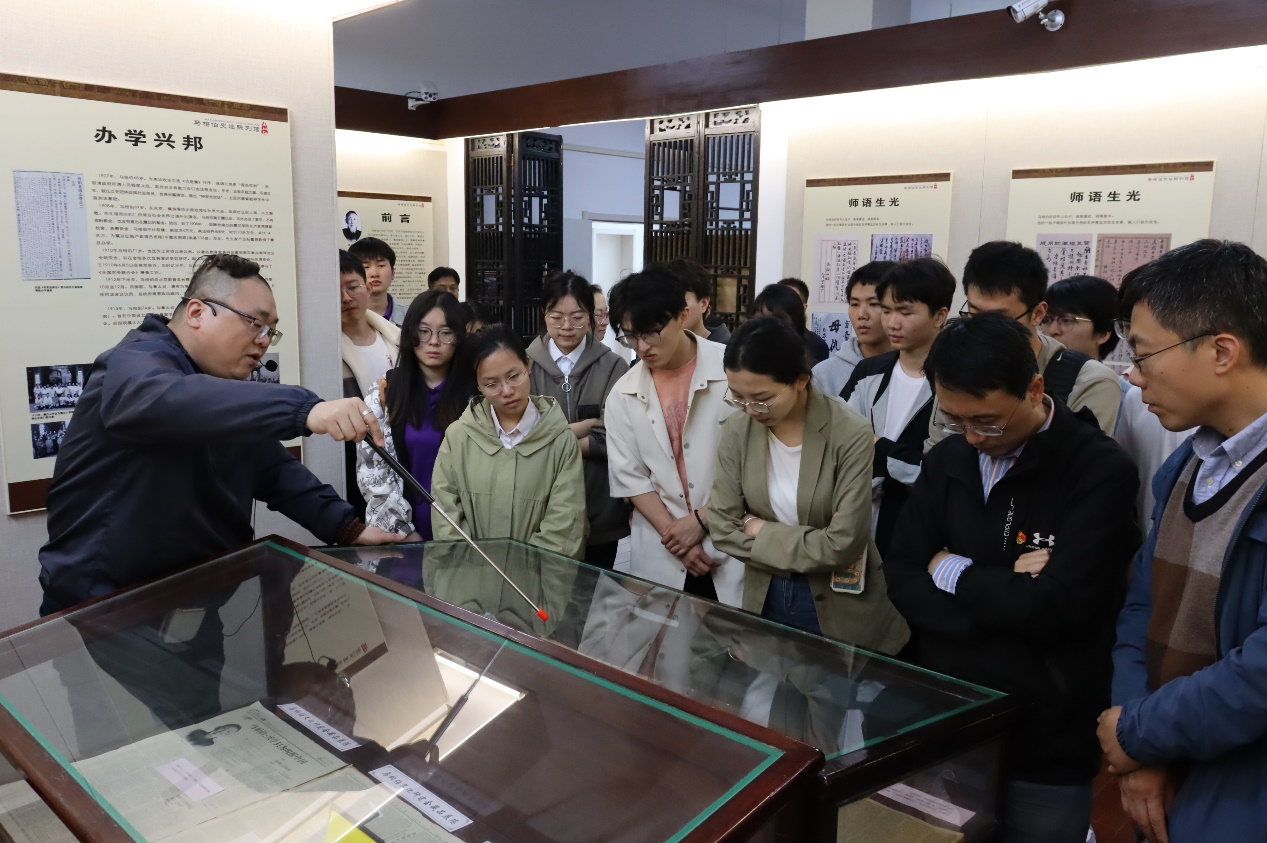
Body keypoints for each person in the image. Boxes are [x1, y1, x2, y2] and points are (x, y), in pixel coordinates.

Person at [38, 254, 402, 726]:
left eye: (271, 330)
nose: (263, 340)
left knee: (205, 732)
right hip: (109, 616)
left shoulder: (216, 383)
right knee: (133, 749)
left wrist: (347, 528)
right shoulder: (134, 364)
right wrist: (304, 409)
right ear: (197, 312)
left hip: (192, 606)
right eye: (255, 323)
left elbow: (269, 465)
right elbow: (162, 401)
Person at [884, 314, 1139, 843]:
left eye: (989, 421)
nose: (974, 437)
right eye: (955, 419)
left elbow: (1056, 606)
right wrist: (1005, 595)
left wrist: (950, 567)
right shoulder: (948, 459)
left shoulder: (1097, 468)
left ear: (1035, 389)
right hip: (950, 707)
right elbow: (903, 572)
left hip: (1046, 725)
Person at [1099, 240, 1267, 843]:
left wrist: (1140, 734)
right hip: (1168, 756)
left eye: (1144, 354)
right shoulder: (1186, 466)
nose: (1133, 374)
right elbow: (1141, 609)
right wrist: (1139, 741)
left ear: (1222, 351)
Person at [709, 316, 910, 651]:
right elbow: (721, 527)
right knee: (770, 677)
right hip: (766, 588)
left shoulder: (848, 432)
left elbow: (843, 545)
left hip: (838, 600)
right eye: (738, 397)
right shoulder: (738, 429)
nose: (751, 410)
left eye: (761, 398)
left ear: (800, 381)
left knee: (834, 680)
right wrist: (815, 541)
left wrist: (760, 529)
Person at [605, 266, 744, 605]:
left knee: (735, 632)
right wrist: (677, 538)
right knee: (664, 633)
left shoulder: (732, 371)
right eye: (630, 337)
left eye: (651, 333)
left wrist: (702, 521)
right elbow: (632, 479)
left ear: (683, 316)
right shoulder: (623, 393)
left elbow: (754, 463)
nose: (642, 347)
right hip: (662, 547)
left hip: (731, 539)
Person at [926, 241, 1122, 449]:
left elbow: (1082, 462)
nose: (984, 328)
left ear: (1038, 313)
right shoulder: (956, 366)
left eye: (999, 318)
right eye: (975, 313)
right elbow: (936, 450)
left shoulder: (1088, 381)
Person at [431, 325, 586, 559]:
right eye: (491, 384)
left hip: (535, 579)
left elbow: (564, 526)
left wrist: (521, 570)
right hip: (469, 577)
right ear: (478, 385)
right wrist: (472, 567)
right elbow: (445, 515)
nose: (507, 391)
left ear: (528, 366)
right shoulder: (459, 437)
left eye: (514, 376)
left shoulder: (559, 440)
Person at [841, 258, 953, 556]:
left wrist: (877, 447)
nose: (891, 322)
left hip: (924, 535)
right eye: (887, 310)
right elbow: (838, 442)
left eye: (905, 312)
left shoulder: (954, 383)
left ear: (940, 315)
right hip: (859, 527)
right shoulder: (869, 372)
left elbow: (940, 471)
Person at [526, 271, 630, 567]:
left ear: (592, 317)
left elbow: (617, 436)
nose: (567, 327)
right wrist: (584, 429)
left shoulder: (614, 367)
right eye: (556, 317)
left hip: (600, 508)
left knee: (596, 590)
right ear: (544, 314)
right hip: (541, 509)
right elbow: (519, 434)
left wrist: (551, 437)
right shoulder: (525, 365)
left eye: (577, 317)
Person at [357, 290, 474, 542]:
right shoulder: (385, 391)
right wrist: (404, 531)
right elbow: (372, 472)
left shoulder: (475, 395)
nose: (434, 341)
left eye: (445, 332)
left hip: (465, 532)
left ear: (458, 337)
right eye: (424, 331)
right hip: (402, 535)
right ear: (410, 333)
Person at [340, 249, 401, 517]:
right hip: (352, 466)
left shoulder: (397, 339)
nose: (346, 297)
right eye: (336, 290)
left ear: (366, 286)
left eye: (353, 287)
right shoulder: (325, 353)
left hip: (402, 455)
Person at [811, 261, 895, 396]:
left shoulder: (914, 370)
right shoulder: (824, 375)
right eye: (854, 304)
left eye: (874, 304)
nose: (861, 315)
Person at [1040, 274, 1120, 362]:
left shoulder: (1099, 372)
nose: (1052, 330)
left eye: (1066, 320)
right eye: (1047, 320)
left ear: (1102, 334)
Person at [751, 284, 829, 364]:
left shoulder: (815, 349)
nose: (766, 327)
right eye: (759, 319)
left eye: (777, 320)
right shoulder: (746, 357)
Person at [667, 257, 731, 345]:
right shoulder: (656, 347)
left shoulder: (727, 349)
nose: (672, 306)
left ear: (704, 304)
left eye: (679, 297)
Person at [349, 237, 406, 326]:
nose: (374, 274)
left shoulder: (411, 317)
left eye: (381, 265)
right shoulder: (343, 319)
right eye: (366, 267)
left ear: (393, 273)